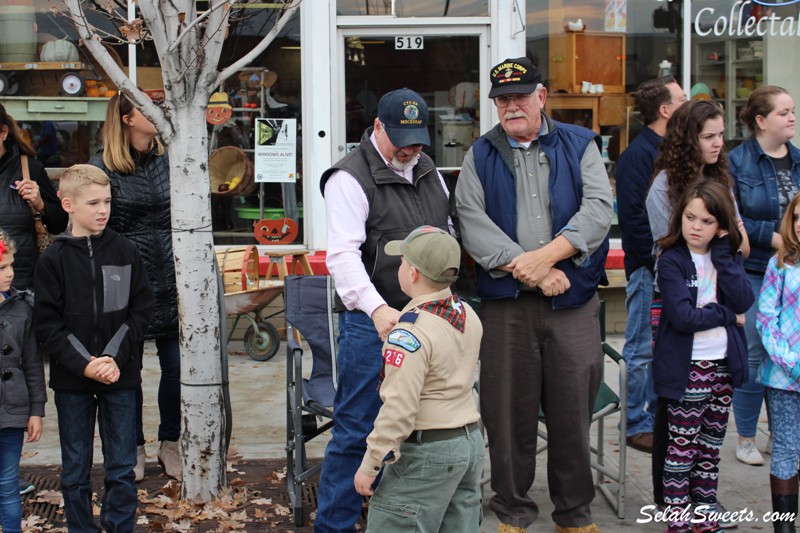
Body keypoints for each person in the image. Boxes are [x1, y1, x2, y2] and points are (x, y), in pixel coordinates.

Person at [456, 57, 613, 533]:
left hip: (572, 304)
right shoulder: (479, 155)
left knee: (572, 413)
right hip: (508, 309)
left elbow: (599, 211)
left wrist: (546, 258)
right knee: (506, 418)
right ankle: (514, 511)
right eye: (503, 99)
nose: (511, 106)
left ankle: (574, 514)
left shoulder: (581, 143)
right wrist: (534, 272)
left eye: (520, 96)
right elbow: (471, 222)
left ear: (541, 96)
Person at [316, 88, 452, 532]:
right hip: (368, 323)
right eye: (401, 139)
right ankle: (334, 525)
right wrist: (376, 310)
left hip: (428, 317)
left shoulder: (429, 170)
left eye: (417, 140)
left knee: (422, 425)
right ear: (377, 127)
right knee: (357, 427)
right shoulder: (349, 177)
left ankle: (399, 520)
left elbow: (445, 232)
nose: (410, 149)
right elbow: (342, 256)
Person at [32, 164, 154, 532]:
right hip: (73, 381)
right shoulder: (53, 259)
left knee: (121, 467)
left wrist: (113, 358)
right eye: (93, 203)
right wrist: (84, 364)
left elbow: (140, 311)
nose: (103, 210)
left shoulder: (126, 250)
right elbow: (48, 325)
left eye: (107, 201)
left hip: (121, 377)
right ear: (67, 204)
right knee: (75, 468)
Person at [353, 226, 483, 532]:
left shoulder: (409, 332)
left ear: (411, 273)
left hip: (429, 450)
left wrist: (370, 464)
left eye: (401, 262)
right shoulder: (465, 312)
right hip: (469, 442)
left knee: (394, 523)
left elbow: (399, 408)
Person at [652, 179, 753, 533]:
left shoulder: (724, 257)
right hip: (687, 369)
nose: (695, 226)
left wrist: (726, 255)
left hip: (723, 366)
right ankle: (678, 522)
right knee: (681, 452)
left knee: (710, 450)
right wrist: (725, 314)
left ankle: (705, 515)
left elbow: (742, 300)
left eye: (706, 221)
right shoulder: (672, 260)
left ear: (721, 226)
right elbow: (682, 317)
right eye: (690, 217)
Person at [90, 93, 181, 481]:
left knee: (177, 367)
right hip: (123, 280)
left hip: (172, 274)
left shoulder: (169, 156)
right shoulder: (103, 166)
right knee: (128, 369)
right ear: (126, 119)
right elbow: (95, 229)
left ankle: (171, 443)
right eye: (146, 110)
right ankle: (134, 446)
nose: (155, 116)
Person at [616, 76, 686, 454]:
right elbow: (633, 218)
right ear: (665, 110)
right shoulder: (638, 156)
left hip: (671, 269)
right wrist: (656, 263)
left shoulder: (672, 150)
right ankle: (635, 423)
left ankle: (659, 418)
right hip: (648, 270)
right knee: (641, 349)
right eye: (682, 98)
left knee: (663, 348)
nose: (687, 102)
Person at [730, 86, 799, 467]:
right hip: (754, 270)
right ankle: (745, 437)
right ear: (760, 121)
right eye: (783, 112)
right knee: (755, 353)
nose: (791, 118)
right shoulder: (737, 162)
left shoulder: (799, 160)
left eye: (792, 111)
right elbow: (733, 215)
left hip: (796, 270)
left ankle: (782, 430)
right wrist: (774, 237)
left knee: (791, 353)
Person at [0, 103, 67, 497]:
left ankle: (10, 470)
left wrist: (40, 203)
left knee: (17, 375)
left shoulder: (28, 168)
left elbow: (59, 223)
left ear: (4, 132)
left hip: (19, 288)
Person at [756, 191, 800, 533]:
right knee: (785, 450)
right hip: (784, 377)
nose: (799, 225)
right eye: (796, 218)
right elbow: (766, 319)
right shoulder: (780, 264)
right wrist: (790, 361)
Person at [0, 229, 45, 533]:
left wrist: (36, 410)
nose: (10, 273)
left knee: (7, 484)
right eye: (1, 268)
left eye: (11, 265)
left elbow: (32, 363)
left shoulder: (21, 307)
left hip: (13, 410)